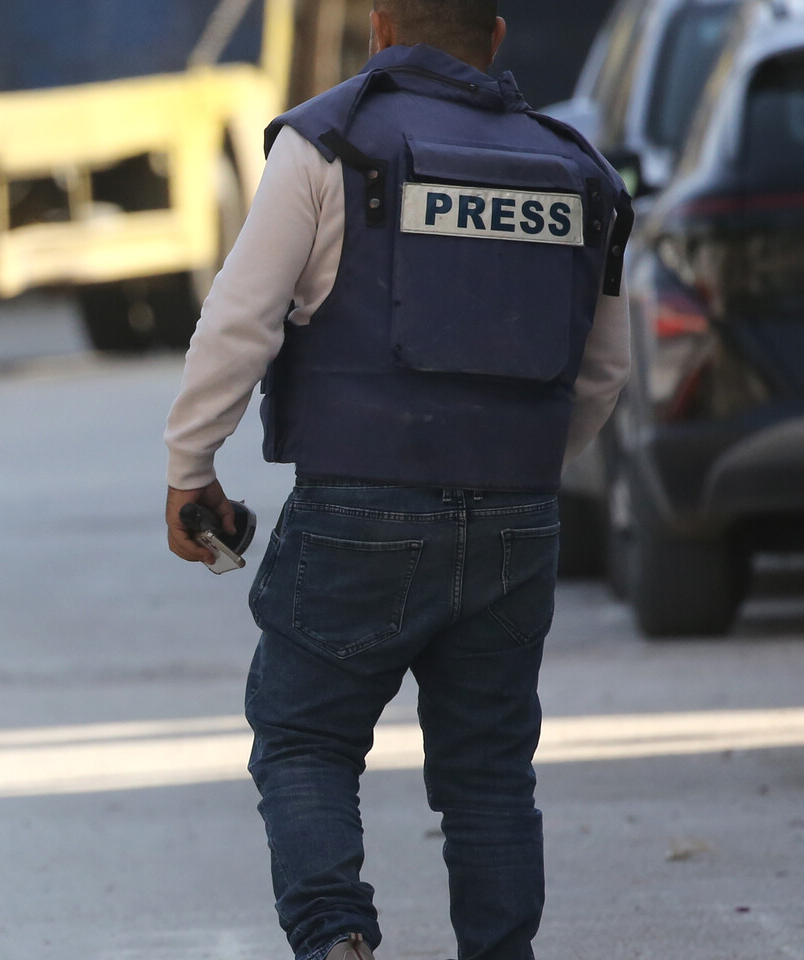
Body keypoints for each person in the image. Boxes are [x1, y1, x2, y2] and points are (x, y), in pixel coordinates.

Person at [161, 2, 631, 959]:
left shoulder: (329, 142)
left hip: (357, 509)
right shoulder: (581, 172)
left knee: (303, 740)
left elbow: (239, 321)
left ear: (378, 29)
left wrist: (190, 464)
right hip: (516, 517)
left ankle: (337, 937)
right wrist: (521, 470)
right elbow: (604, 374)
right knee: (491, 773)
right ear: (495, 38)